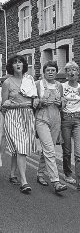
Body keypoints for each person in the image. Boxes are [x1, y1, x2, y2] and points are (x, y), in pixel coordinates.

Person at [2, 55, 38, 194]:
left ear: (24, 65)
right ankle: (24, 181)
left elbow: (35, 97)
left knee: (19, 147)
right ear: (11, 66)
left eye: (20, 62)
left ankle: (12, 174)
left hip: (27, 116)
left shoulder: (29, 80)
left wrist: (36, 100)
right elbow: (3, 104)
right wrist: (13, 104)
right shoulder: (7, 83)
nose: (18, 65)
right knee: (22, 146)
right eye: (15, 63)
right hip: (13, 116)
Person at [34, 61, 67, 193]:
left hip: (56, 118)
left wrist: (61, 103)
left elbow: (63, 101)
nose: (51, 72)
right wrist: (40, 102)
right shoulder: (38, 84)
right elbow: (33, 102)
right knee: (50, 150)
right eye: (48, 70)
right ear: (44, 72)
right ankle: (56, 181)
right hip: (42, 118)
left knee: (49, 148)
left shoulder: (59, 85)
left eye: (53, 70)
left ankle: (40, 174)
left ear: (56, 72)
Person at [61, 61, 80, 189]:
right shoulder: (62, 86)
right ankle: (68, 174)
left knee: (78, 152)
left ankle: (79, 179)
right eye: (69, 70)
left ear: (78, 72)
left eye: (74, 70)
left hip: (78, 119)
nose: (72, 72)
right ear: (66, 74)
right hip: (65, 120)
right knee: (67, 151)